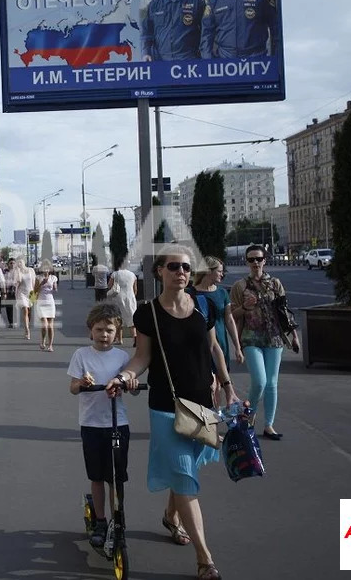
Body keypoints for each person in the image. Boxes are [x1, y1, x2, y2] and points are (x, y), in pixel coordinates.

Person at [107, 246, 239, 580]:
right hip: (167, 407)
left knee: (187, 471)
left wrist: (227, 386)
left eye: (185, 267)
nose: (181, 272)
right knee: (183, 476)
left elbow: (212, 348)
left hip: (202, 405)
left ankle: (171, 515)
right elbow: (142, 356)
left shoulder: (203, 306)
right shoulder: (147, 313)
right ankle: (204, 559)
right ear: (159, 272)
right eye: (173, 267)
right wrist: (125, 375)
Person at [68, 303, 132, 549]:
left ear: (117, 333)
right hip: (92, 424)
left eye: (109, 330)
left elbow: (131, 386)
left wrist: (131, 384)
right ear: (90, 331)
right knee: (96, 476)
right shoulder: (81, 356)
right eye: (99, 330)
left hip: (118, 424)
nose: (104, 335)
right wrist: (83, 383)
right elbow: (73, 388)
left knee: (116, 476)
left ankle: (118, 518)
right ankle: (101, 520)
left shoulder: (122, 357)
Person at [229, 244, 299, 441]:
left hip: (274, 338)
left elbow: (284, 311)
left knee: (272, 384)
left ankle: (269, 425)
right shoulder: (240, 286)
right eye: (251, 260)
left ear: (265, 261)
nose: (255, 263)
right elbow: (232, 316)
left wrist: (294, 336)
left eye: (258, 259)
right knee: (259, 381)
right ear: (246, 262)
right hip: (251, 338)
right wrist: (245, 307)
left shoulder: (275, 283)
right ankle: (246, 418)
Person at [189, 256, 244, 405]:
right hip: (201, 346)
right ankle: (211, 418)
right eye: (219, 271)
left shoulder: (222, 293)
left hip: (221, 344)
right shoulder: (190, 294)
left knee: (219, 383)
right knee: (210, 385)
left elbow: (229, 320)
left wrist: (237, 347)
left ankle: (216, 418)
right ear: (208, 271)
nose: (222, 274)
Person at [107, 263, 138, 346]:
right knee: (131, 318)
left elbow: (109, 285)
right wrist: (132, 296)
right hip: (130, 298)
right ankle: (135, 337)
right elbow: (135, 289)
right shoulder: (133, 275)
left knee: (118, 318)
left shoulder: (115, 274)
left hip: (118, 297)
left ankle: (119, 339)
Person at [34, 259, 59, 351]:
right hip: (41, 302)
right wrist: (41, 284)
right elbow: (34, 291)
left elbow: (55, 289)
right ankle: (43, 340)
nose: (46, 270)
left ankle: (50, 345)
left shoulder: (53, 278)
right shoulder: (38, 278)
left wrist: (55, 288)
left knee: (50, 325)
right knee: (44, 325)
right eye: (44, 268)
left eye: (47, 268)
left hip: (50, 302)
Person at [16, 258, 37, 340]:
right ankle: (27, 330)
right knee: (25, 310)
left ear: (24, 262)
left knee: (29, 312)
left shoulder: (31, 270)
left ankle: (27, 324)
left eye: (21, 262)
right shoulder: (18, 272)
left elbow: (34, 282)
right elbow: (19, 281)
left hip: (30, 292)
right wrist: (18, 271)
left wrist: (35, 294)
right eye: (18, 263)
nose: (20, 264)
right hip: (22, 293)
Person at [2, 256, 20, 328]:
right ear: (8, 264)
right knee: (8, 307)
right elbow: (3, 281)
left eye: (13, 263)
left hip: (15, 290)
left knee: (14, 306)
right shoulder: (5, 271)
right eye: (11, 263)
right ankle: (10, 322)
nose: (12, 264)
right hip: (7, 291)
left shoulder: (17, 271)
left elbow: (19, 280)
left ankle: (14, 321)